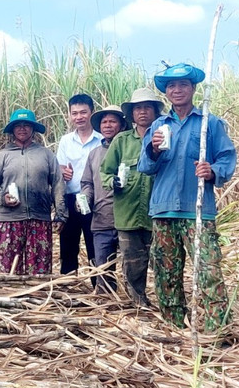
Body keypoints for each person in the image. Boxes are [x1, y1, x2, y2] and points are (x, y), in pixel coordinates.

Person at [138, 63, 237, 332]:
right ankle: (174, 328)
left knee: (208, 272)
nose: (177, 90)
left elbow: (227, 158)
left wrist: (212, 170)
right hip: (164, 210)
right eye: (172, 86)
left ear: (193, 89)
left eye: (183, 85)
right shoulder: (158, 125)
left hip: (198, 212)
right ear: (166, 92)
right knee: (166, 275)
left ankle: (217, 332)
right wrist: (154, 151)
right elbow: (145, 168)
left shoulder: (209, 123)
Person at [0, 109, 66, 275]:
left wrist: (61, 214)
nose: (22, 129)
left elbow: (58, 183)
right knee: (8, 272)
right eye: (18, 126)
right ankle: (10, 299)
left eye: (27, 125)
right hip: (9, 220)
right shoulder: (3, 156)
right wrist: (2, 197)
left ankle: (38, 299)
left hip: (39, 220)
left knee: (38, 273)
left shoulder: (46, 155)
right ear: (12, 130)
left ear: (33, 129)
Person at [101, 88, 163, 307]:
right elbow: (105, 172)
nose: (143, 112)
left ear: (156, 111)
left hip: (158, 211)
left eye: (147, 107)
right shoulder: (121, 141)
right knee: (133, 261)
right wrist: (113, 183)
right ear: (132, 113)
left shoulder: (165, 136)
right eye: (138, 108)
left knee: (161, 260)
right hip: (127, 212)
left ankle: (166, 302)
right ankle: (138, 303)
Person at [56, 93, 102, 283]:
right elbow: (58, 168)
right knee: (67, 245)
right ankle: (68, 287)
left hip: (95, 200)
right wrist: (62, 172)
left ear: (92, 112)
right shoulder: (66, 141)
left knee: (94, 244)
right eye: (74, 113)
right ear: (69, 115)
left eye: (83, 112)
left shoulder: (102, 140)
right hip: (70, 198)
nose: (79, 117)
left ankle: (98, 286)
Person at [80, 105, 126, 294]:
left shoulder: (130, 149)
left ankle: (134, 304)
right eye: (104, 122)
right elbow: (87, 182)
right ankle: (106, 303)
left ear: (122, 125)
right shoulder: (94, 154)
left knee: (132, 267)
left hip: (127, 219)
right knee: (103, 268)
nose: (107, 125)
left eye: (112, 121)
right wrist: (85, 199)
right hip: (101, 218)